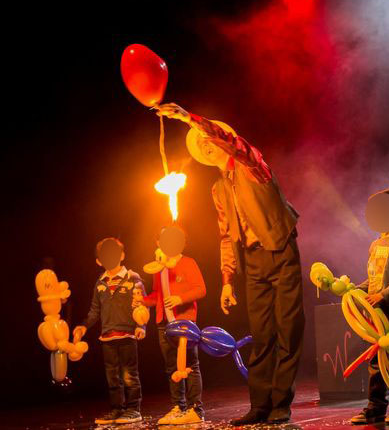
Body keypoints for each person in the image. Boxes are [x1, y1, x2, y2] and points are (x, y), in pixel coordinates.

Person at [156, 103, 304, 426]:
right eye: (199, 145)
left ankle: (281, 404)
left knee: (288, 330)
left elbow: (231, 142)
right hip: (253, 260)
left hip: (280, 250)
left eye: (207, 139)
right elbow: (226, 235)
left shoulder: (252, 164)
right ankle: (260, 405)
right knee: (263, 334)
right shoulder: (219, 188)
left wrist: (188, 119)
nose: (205, 145)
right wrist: (226, 280)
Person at [350, 189, 389, 425]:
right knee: (376, 360)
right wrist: (356, 290)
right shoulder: (374, 244)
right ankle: (376, 406)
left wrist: (382, 295)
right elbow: (373, 279)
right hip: (376, 314)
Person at [138, 225, 207, 425]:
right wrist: (141, 300)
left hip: (185, 322)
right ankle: (179, 407)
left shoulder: (188, 262)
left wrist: (180, 298)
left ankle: (196, 409)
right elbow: (157, 296)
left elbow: (201, 289)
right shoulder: (158, 269)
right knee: (171, 368)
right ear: (157, 243)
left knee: (190, 365)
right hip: (164, 324)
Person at [73, 238, 146, 425]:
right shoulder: (100, 283)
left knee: (129, 374)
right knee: (112, 376)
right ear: (99, 260)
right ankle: (117, 409)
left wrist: (141, 326)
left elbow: (142, 306)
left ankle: (133, 409)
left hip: (128, 334)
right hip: (107, 337)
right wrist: (83, 326)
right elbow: (94, 310)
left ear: (122, 255)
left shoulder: (133, 278)